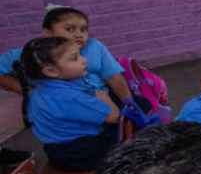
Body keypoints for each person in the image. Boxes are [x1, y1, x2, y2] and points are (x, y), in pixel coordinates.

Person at [13, 36, 120, 171]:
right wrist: (105, 98)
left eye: (80, 54)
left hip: (56, 152)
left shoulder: (38, 91)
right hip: (82, 154)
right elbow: (113, 117)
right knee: (124, 122)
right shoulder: (70, 97)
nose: (84, 60)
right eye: (74, 58)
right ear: (51, 71)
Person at [0, 6, 132, 104]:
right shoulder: (33, 53)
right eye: (70, 29)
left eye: (83, 29)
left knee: (139, 106)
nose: (79, 34)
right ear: (47, 33)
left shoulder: (94, 46)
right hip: (60, 108)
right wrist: (27, 91)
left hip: (102, 100)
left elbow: (114, 77)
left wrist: (129, 103)